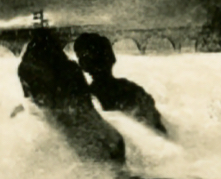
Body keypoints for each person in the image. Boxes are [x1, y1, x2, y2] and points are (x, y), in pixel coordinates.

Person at [17, 30, 125, 163]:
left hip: (88, 144)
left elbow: (41, 104)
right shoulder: (70, 69)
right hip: (107, 137)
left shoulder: (31, 69)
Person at [73, 33, 167, 134]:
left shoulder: (88, 97)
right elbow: (158, 126)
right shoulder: (131, 88)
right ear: (111, 59)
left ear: (83, 65)